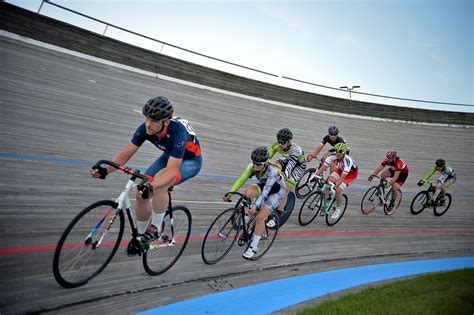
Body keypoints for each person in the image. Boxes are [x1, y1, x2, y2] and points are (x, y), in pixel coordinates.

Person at [90, 96, 202, 256]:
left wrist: (152, 185)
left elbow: (171, 171)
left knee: (161, 182)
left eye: (154, 121)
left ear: (166, 122)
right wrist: (105, 171)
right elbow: (126, 154)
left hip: (190, 161)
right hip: (169, 155)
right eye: (147, 118)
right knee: (141, 193)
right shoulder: (145, 128)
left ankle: (155, 228)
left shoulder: (178, 132)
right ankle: (141, 237)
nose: (149, 124)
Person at [223, 146, 286, 259]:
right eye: (254, 163)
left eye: (259, 164)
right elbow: (241, 179)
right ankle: (247, 218)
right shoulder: (253, 167)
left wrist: (255, 206)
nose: (256, 167)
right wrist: (230, 193)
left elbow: (266, 192)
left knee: (260, 218)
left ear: (266, 162)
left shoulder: (273, 171)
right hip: (265, 186)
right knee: (247, 193)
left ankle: (253, 247)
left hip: (276, 191)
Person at [267, 128, 306, 225]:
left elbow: (289, 167)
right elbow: (267, 158)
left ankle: (280, 211)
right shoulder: (276, 145)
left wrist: (282, 179)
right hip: (286, 160)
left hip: (298, 167)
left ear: (289, 142)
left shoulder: (295, 150)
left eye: (282, 143)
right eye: (278, 142)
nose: (280, 145)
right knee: (276, 164)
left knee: (284, 190)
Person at [312, 142, 358, 219]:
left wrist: (336, 185)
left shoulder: (347, 161)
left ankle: (338, 209)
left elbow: (343, 177)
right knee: (328, 182)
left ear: (344, 153)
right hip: (340, 170)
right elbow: (324, 166)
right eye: (336, 151)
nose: (338, 153)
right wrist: (315, 175)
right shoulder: (333, 156)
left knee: (338, 190)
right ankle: (326, 200)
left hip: (350, 175)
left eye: (340, 151)